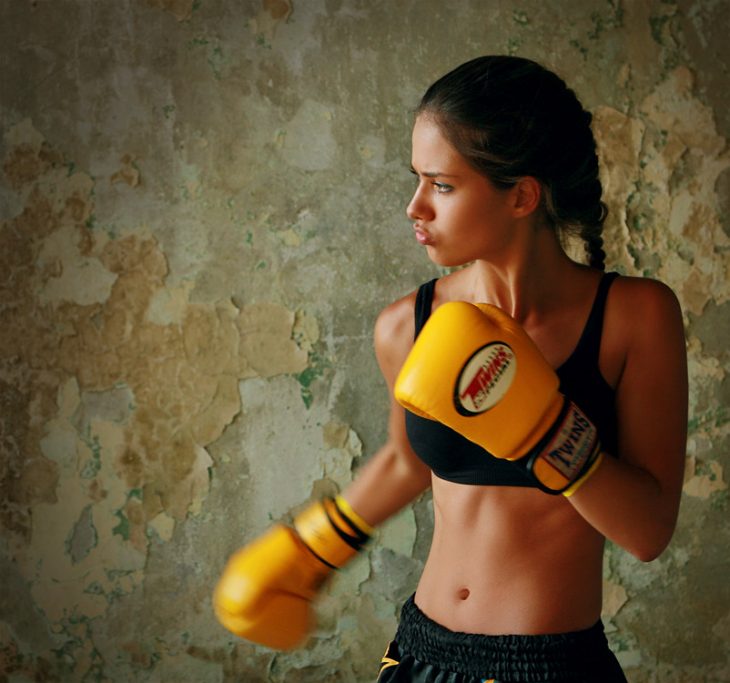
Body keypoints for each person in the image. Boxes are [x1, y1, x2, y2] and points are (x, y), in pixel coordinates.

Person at [213, 55, 688, 682]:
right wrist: (310, 551)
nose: (415, 207)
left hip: (551, 666)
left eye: (441, 185)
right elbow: (407, 461)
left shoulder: (634, 316)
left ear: (521, 194)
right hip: (420, 654)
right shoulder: (405, 325)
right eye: (416, 180)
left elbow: (649, 531)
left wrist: (549, 434)